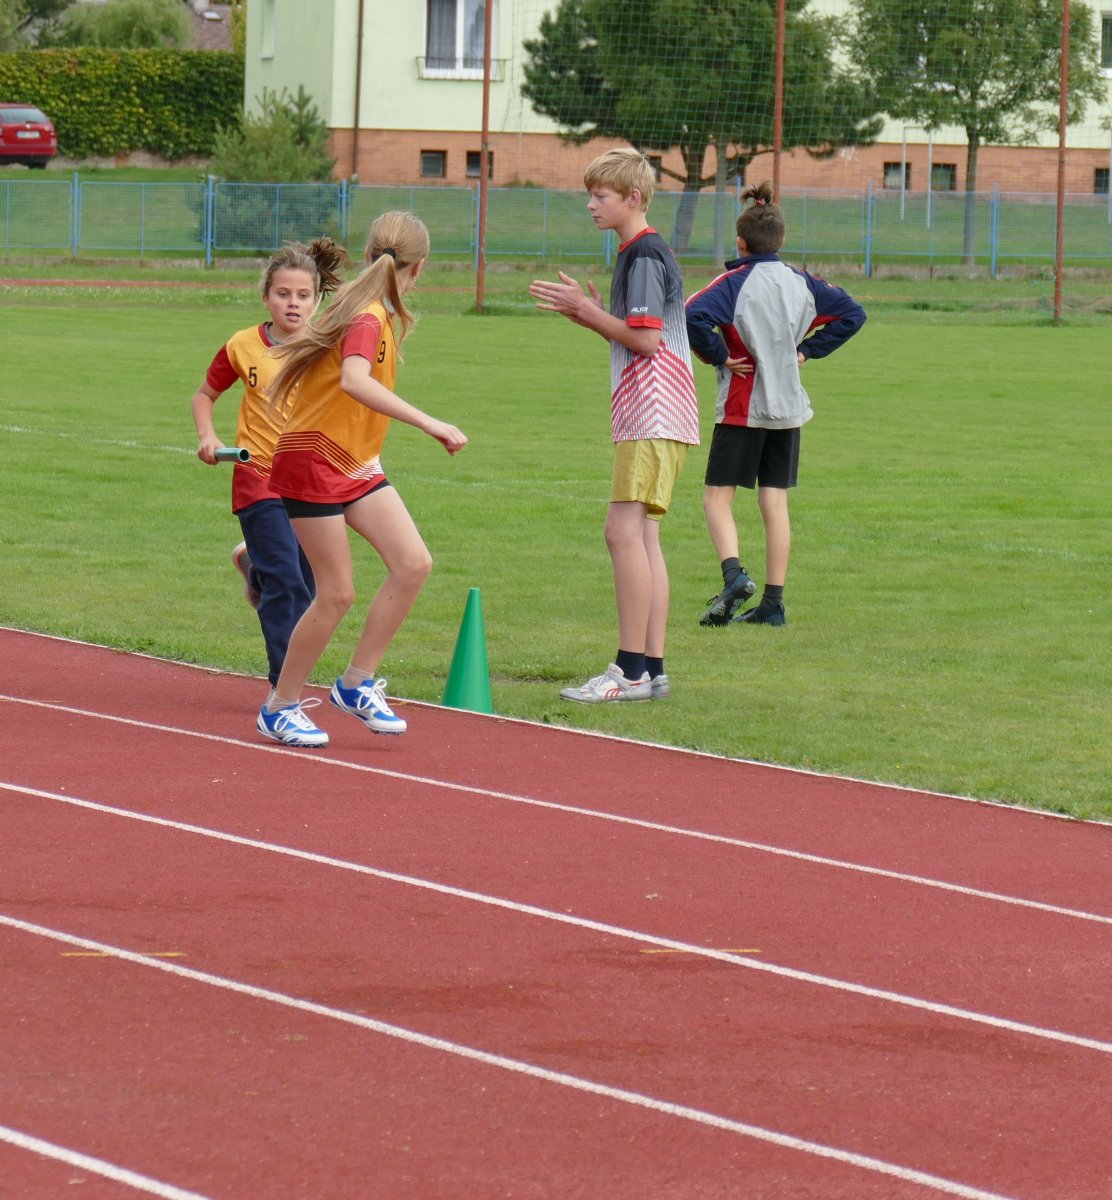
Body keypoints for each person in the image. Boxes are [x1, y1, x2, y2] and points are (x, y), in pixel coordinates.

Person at [256, 210, 468, 748]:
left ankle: (355, 683)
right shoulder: (368, 315)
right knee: (336, 594)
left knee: (413, 563)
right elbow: (354, 380)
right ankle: (279, 707)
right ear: (419, 268)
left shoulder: (370, 311)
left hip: (354, 461)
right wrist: (430, 422)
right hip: (313, 459)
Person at [529, 147, 700, 704]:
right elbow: (637, 333)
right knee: (644, 536)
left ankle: (629, 672)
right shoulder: (640, 252)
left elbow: (646, 341)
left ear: (634, 197)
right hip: (661, 414)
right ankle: (651, 670)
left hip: (653, 412)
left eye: (600, 195)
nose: (591, 205)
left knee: (622, 532)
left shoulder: (644, 254)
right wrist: (596, 317)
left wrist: (587, 311)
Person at [685, 181, 866, 627]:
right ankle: (773, 604)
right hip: (787, 407)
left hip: (743, 405)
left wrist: (720, 355)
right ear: (781, 240)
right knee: (775, 502)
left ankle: (734, 576)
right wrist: (807, 350)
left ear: (740, 243)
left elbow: (691, 314)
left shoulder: (733, 283)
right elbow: (853, 313)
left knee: (716, 497)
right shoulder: (802, 282)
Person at [191, 238, 347, 693]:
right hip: (257, 478)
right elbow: (204, 395)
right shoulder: (242, 345)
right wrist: (208, 436)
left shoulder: (329, 347)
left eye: (303, 295)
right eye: (283, 293)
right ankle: (285, 689)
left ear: (317, 301)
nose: (293, 303)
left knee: (310, 586)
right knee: (289, 587)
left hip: (310, 483)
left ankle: (254, 566)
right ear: (266, 297)